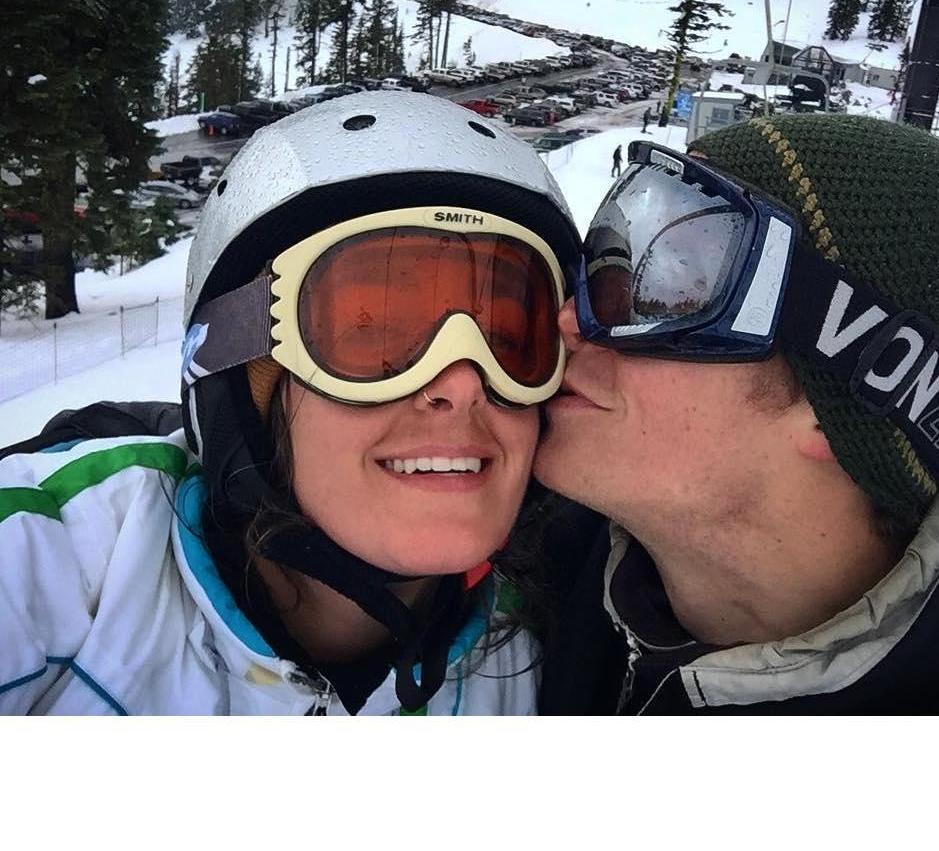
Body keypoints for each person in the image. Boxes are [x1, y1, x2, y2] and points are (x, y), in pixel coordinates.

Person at [0, 92, 581, 716]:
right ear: (239, 377)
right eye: (373, 334)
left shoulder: (561, 657)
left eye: (510, 341)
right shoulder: (69, 559)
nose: (462, 382)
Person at [529, 113, 939, 715]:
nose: (569, 320)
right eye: (611, 263)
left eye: (667, 290)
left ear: (836, 406)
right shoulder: (518, 556)